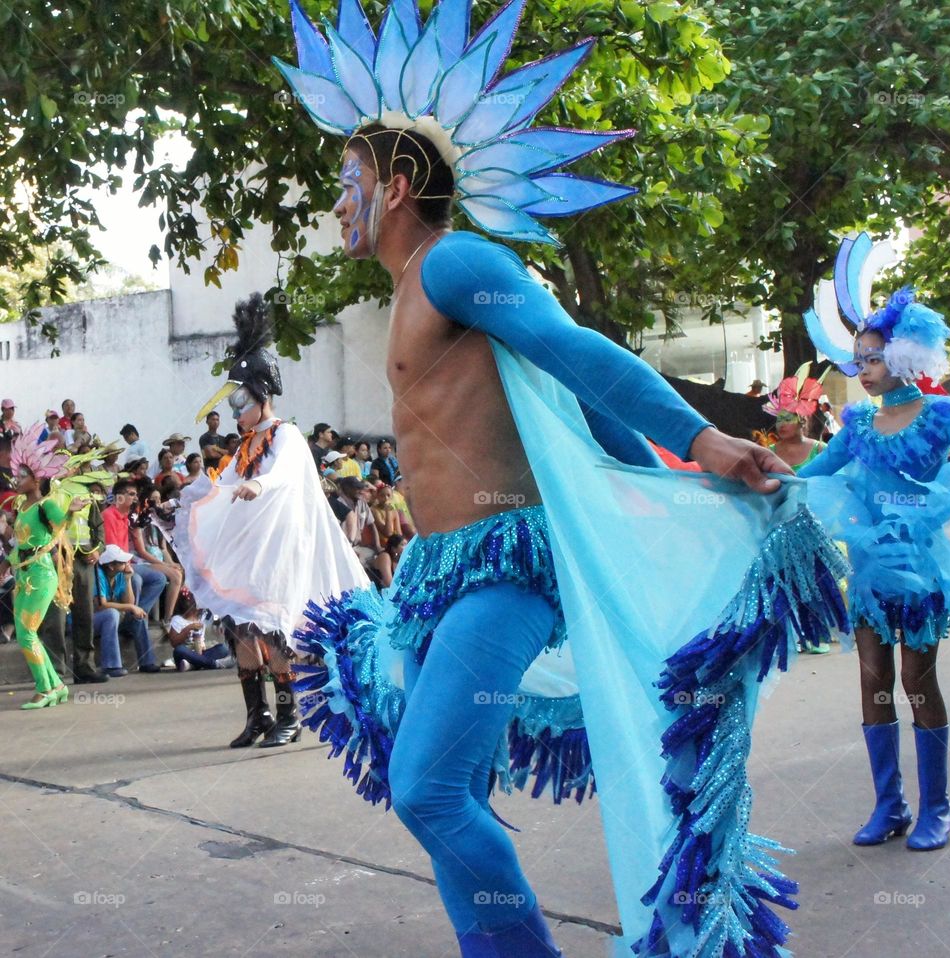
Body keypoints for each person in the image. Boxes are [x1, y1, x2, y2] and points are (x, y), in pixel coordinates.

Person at [275, 4, 847, 955]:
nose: (338, 203)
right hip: (436, 575)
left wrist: (698, 445)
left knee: (426, 786)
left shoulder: (454, 261)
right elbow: (568, 403)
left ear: (400, 181)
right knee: (450, 793)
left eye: (350, 180)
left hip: (506, 569)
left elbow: (575, 353)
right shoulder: (409, 288)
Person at [800, 233, 950, 852]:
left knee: (919, 680)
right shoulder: (858, 423)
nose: (858, 370)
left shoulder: (943, 416)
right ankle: (888, 805)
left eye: (868, 359)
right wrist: (752, 475)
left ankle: (936, 809)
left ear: (902, 354)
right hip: (869, 570)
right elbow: (814, 474)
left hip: (919, 571)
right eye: (858, 360)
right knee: (873, 682)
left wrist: (926, 514)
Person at [174, 293, 368, 749]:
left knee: (272, 627)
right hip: (247, 548)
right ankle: (256, 713)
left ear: (262, 395)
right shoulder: (243, 446)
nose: (237, 410)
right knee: (239, 626)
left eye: (242, 400)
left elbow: (283, 475)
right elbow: (228, 484)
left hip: (279, 548)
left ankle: (289, 713)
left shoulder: (287, 436)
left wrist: (258, 486)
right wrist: (198, 498)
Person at [0, 425, 83, 708]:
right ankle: (55, 686)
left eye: (22, 475)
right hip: (23, 572)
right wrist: (6, 562)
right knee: (29, 633)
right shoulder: (22, 507)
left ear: (36, 480)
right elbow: (19, 543)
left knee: (25, 632)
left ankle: (45, 688)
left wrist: (71, 510)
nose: (16, 479)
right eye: (16, 474)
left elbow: (59, 523)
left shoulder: (46, 505)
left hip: (42, 573)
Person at [38, 464, 110, 684]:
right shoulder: (47, 493)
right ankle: (55, 673)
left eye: (70, 466)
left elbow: (98, 526)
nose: (67, 470)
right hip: (57, 561)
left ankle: (84, 667)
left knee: (85, 615)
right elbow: (41, 527)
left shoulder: (85, 493)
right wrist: (51, 551)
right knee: (55, 619)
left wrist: (98, 549)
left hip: (83, 561)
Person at [102, 478, 168, 628]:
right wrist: (126, 567)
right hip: (114, 564)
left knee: (159, 579)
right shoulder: (109, 515)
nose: (135, 498)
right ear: (119, 497)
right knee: (136, 580)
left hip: (127, 562)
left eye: (135, 494)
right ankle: (135, 622)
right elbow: (112, 552)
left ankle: (134, 620)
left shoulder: (126, 516)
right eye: (131, 494)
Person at [93, 544, 160, 675]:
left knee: (137, 616)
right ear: (111, 566)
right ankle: (111, 666)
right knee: (112, 613)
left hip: (112, 619)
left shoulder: (119, 574)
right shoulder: (98, 574)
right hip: (92, 620)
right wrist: (131, 607)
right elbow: (101, 605)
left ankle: (146, 662)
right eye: (122, 562)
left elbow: (130, 602)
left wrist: (128, 580)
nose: (127, 564)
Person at [131, 485, 183, 627]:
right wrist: (166, 566)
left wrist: (171, 563)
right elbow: (142, 552)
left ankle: (168, 616)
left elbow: (163, 549)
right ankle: (167, 619)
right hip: (142, 561)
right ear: (146, 501)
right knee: (176, 576)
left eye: (159, 499)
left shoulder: (159, 520)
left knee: (179, 570)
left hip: (158, 561)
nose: (157, 502)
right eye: (153, 499)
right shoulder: (139, 519)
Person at [763, 365, 826, 469]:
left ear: (801, 421)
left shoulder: (820, 449)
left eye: (787, 419)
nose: (781, 425)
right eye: (779, 420)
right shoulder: (768, 452)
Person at [167, 590, 234, 671]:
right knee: (179, 650)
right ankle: (214, 664)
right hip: (186, 654)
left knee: (223, 649)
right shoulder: (177, 619)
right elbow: (174, 643)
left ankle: (191, 666)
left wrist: (220, 624)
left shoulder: (202, 616)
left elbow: (215, 616)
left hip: (201, 652)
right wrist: (188, 628)